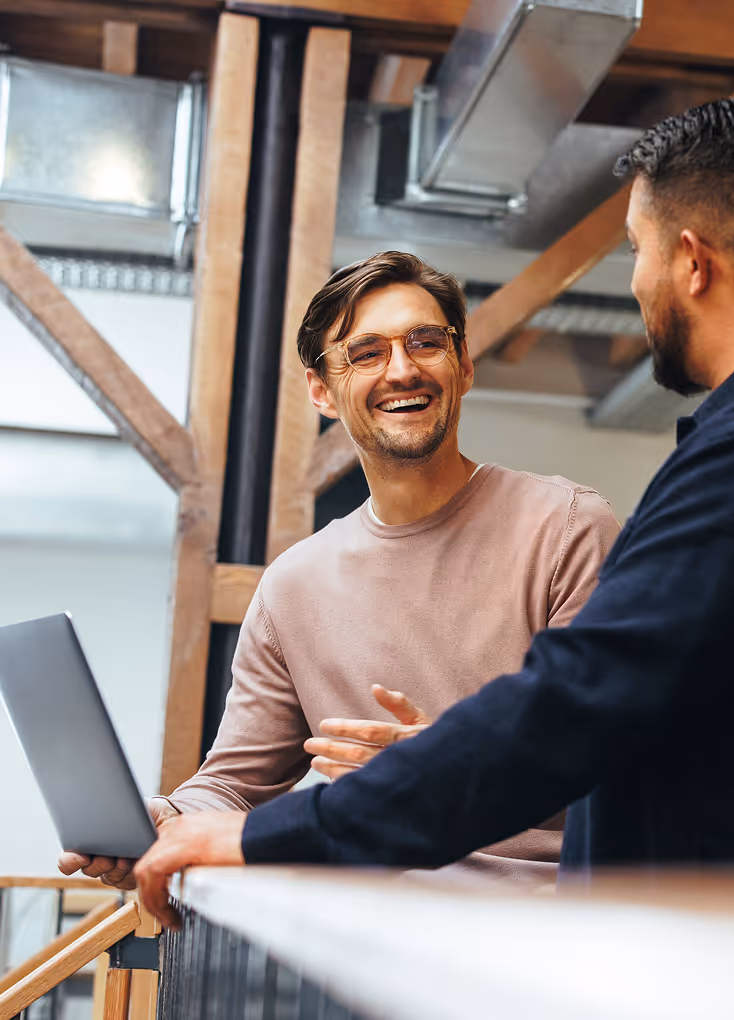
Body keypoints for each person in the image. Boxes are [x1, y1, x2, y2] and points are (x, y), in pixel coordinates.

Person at [135, 94, 734, 927]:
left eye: (638, 250)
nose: (639, 281)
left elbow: (572, 711)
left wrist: (283, 832)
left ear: (692, 261)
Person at [59, 252, 619, 888]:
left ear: (462, 365)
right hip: (353, 941)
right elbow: (235, 787)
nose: (402, 369)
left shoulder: (569, 528)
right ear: (321, 389)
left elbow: (611, 750)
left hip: (538, 937)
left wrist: (450, 765)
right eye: (366, 353)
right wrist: (168, 818)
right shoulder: (294, 584)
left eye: (425, 342)